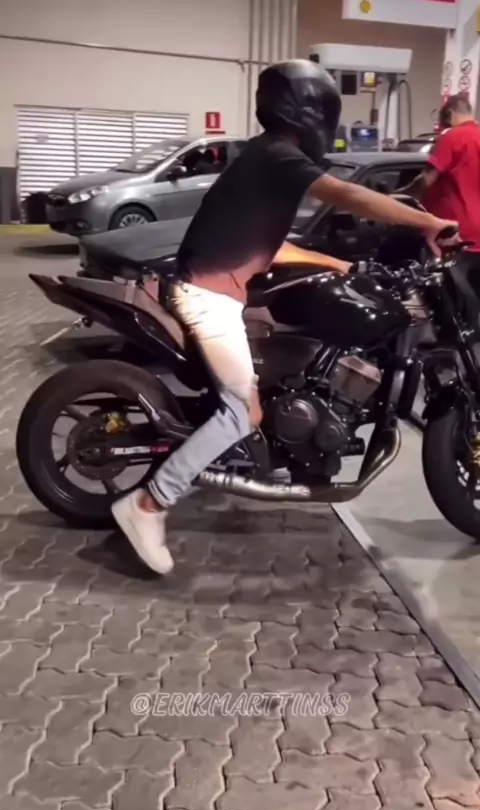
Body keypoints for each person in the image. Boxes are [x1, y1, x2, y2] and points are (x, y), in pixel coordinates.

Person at [112, 59, 458, 575]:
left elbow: (274, 247)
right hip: (206, 296)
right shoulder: (279, 155)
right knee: (242, 412)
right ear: (311, 110)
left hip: (217, 291)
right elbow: (348, 194)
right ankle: (149, 504)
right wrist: (427, 221)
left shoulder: (267, 156)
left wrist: (343, 266)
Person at [400, 93, 480, 290]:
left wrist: (400, 195)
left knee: (449, 299)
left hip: (454, 235)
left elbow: (426, 180)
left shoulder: (452, 137)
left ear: (450, 114)